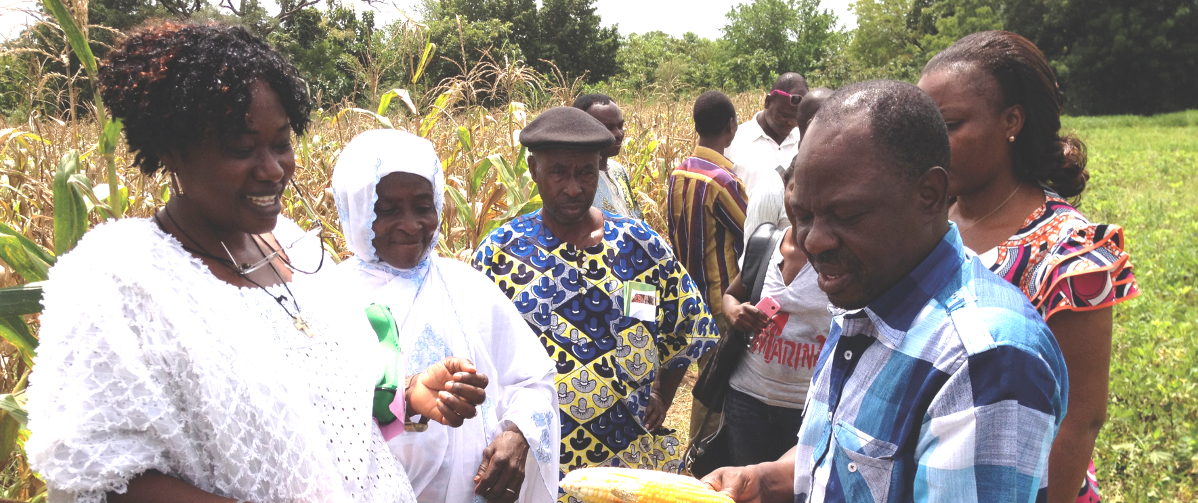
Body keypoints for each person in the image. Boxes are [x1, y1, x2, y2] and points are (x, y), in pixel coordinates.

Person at [25, 22, 486, 503]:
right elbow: (99, 476)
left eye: (281, 144)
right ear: (171, 150)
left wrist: (411, 394)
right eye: (241, 149)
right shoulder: (119, 279)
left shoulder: (300, 251)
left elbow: (333, 404)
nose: (272, 169)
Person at [703, 80, 1069, 502]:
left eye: (848, 214)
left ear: (929, 194)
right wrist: (764, 480)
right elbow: (843, 459)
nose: (814, 240)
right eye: (802, 214)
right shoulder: (865, 292)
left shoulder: (984, 361)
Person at [919, 30, 1140, 503]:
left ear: (1011, 121)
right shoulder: (927, 219)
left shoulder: (1066, 256)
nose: (931, 147)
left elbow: (1079, 419)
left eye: (951, 125)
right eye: (925, 130)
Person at [472, 107, 718, 498]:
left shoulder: (640, 246)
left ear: (600, 170)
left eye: (586, 172)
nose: (573, 187)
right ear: (533, 169)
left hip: (630, 461)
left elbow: (687, 328)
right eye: (558, 172)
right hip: (539, 459)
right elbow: (478, 357)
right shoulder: (500, 254)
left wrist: (660, 394)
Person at [331, 129, 561, 503]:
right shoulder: (328, 301)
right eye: (387, 209)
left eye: (423, 207)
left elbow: (533, 380)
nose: (411, 224)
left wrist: (519, 434)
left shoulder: (469, 289)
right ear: (355, 209)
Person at [721, 163, 831, 467]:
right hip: (747, 398)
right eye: (796, 188)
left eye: (816, 191)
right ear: (785, 187)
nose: (801, 201)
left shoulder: (840, 255)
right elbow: (731, 295)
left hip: (807, 409)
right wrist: (734, 312)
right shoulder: (766, 244)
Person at [665, 90, 748, 443]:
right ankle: (700, 453)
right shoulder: (722, 181)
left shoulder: (679, 172)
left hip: (689, 296)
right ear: (731, 127)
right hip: (719, 299)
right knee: (716, 383)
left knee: (705, 376)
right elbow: (753, 231)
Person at [724, 72, 808, 196]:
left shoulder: (804, 142)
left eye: (796, 118)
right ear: (768, 102)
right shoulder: (734, 140)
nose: (791, 122)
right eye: (784, 115)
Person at [573, 93, 642, 219]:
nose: (619, 133)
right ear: (582, 130)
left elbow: (636, 214)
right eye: (608, 128)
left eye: (620, 126)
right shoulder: (575, 180)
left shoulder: (619, 170)